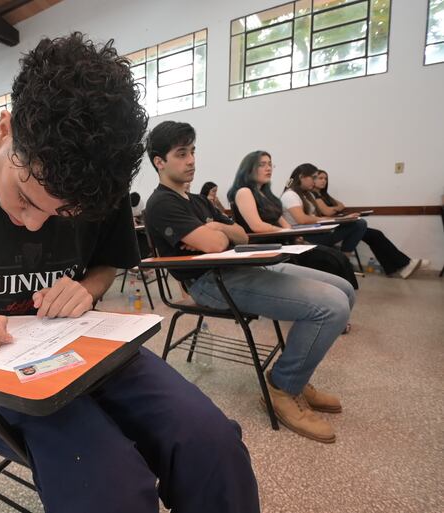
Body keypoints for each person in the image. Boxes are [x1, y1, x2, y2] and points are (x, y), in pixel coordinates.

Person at [0, 33, 259, 512]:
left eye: (63, 213)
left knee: (214, 446)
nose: (34, 223)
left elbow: (107, 263)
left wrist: (86, 288)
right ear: (6, 128)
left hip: (87, 346)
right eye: (26, 197)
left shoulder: (103, 181)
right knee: (109, 487)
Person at [145, 121, 353, 444]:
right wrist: (216, 233)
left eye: (193, 152)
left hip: (239, 268)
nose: (191, 161)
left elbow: (240, 233)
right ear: (159, 161)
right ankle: (284, 388)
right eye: (181, 154)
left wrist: (214, 226)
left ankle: (297, 374)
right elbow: (215, 247)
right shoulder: (161, 203)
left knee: (345, 290)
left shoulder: (198, 203)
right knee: (332, 306)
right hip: (210, 283)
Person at [228, 151, 358, 290]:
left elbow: (285, 224)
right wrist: (285, 232)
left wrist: (295, 236)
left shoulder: (266, 194)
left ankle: (340, 295)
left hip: (281, 242)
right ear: (249, 169)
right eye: (262, 165)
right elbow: (257, 226)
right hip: (264, 247)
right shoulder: (244, 192)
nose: (269, 168)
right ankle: (329, 296)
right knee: (328, 260)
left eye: (270, 165)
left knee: (336, 256)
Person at [312, 169, 425, 278]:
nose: (324, 181)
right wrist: (334, 209)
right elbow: (326, 211)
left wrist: (334, 208)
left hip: (340, 224)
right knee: (374, 234)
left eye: (325, 178)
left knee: (375, 235)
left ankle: (395, 267)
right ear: (313, 179)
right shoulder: (314, 196)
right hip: (331, 227)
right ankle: (402, 265)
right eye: (320, 178)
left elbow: (341, 205)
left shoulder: (324, 195)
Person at [280, 164, 368, 257]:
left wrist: (343, 219)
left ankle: (344, 257)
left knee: (358, 223)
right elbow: (302, 219)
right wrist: (332, 220)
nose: (314, 182)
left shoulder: (308, 195)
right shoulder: (290, 195)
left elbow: (315, 218)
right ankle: (344, 258)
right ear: (301, 177)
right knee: (359, 224)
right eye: (313, 178)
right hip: (302, 236)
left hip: (315, 231)